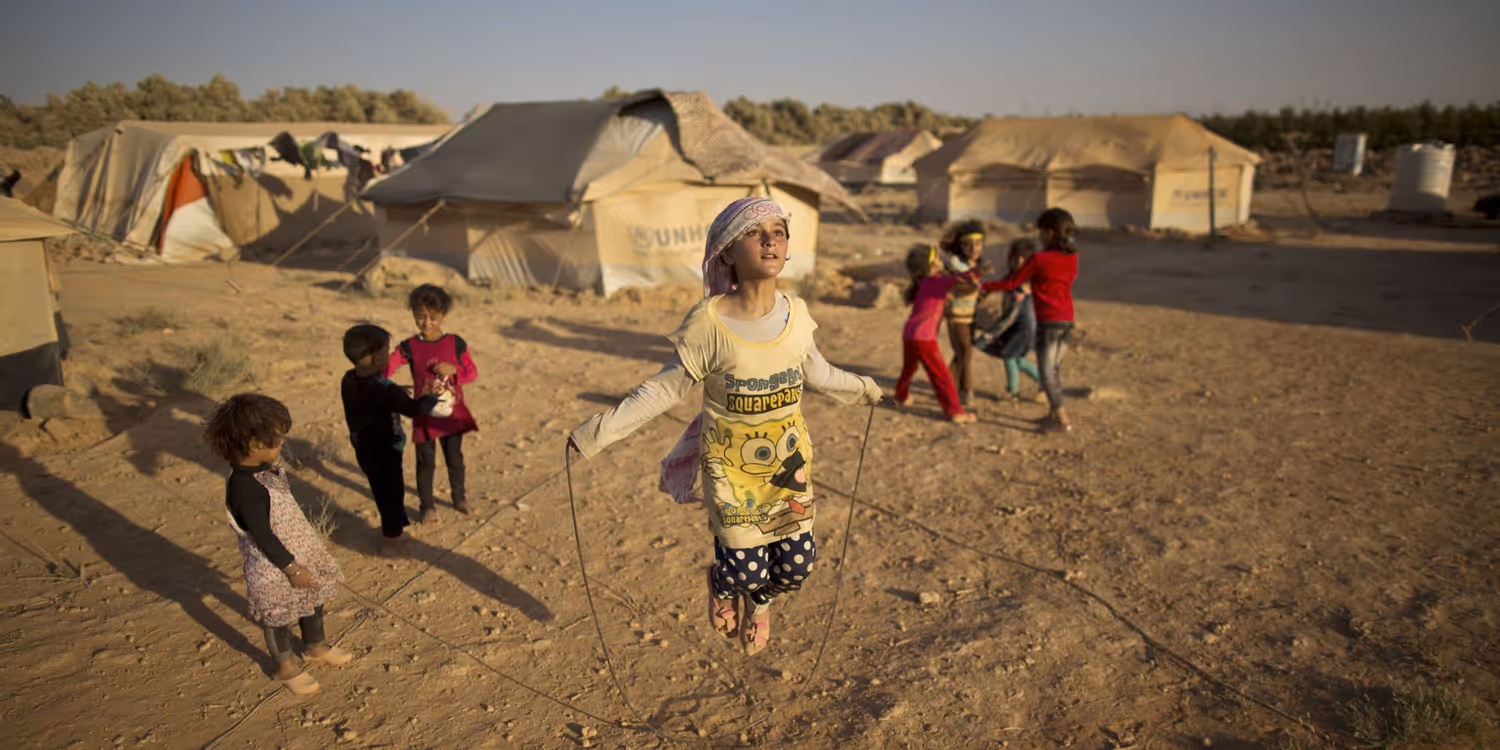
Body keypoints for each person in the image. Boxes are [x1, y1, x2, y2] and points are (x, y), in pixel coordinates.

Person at [568, 197, 881, 656]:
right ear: (728, 252)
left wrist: (866, 388)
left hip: (789, 470)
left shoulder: (796, 314)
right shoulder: (708, 324)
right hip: (731, 475)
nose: (771, 239)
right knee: (744, 571)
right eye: (756, 232)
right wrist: (596, 433)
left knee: (795, 568)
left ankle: (760, 606)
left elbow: (820, 374)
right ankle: (721, 584)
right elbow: (664, 390)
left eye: (779, 230)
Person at [203, 394, 350, 695]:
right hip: (274, 564)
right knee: (277, 614)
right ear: (256, 445)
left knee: (312, 598)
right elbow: (264, 535)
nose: (282, 443)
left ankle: (315, 646)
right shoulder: (244, 487)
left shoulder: (263, 471)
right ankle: (285, 667)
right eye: (278, 439)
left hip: (298, 553)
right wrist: (292, 568)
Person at [341, 324, 441, 557]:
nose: (390, 354)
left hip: (364, 448)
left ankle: (395, 531)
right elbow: (414, 409)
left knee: (382, 490)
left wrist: (395, 391)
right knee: (392, 493)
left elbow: (372, 398)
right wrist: (432, 398)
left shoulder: (348, 379)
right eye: (387, 350)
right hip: (386, 449)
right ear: (377, 358)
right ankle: (391, 540)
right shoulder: (387, 391)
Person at [385, 284, 479, 522]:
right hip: (424, 413)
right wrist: (385, 386)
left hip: (451, 413)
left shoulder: (456, 343)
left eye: (432, 317)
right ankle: (427, 506)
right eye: (420, 316)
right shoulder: (409, 347)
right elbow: (388, 368)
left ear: (443, 316)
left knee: (455, 458)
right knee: (425, 461)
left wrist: (455, 370)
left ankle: (459, 499)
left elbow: (472, 372)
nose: (425, 322)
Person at [984, 209, 1080, 432]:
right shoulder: (1072, 257)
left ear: (1050, 233)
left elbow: (1010, 283)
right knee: (1053, 370)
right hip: (1067, 319)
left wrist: (982, 286)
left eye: (1042, 232)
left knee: (1047, 372)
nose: (1040, 236)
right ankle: (1052, 415)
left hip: (1048, 321)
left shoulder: (1040, 259)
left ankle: (1062, 419)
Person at [894, 244, 979, 424]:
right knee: (941, 376)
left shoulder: (924, 283)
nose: (941, 262)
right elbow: (957, 279)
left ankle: (901, 396)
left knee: (908, 369)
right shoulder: (936, 281)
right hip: (924, 338)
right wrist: (976, 273)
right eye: (938, 259)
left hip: (909, 334)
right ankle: (955, 411)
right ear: (932, 264)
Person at [973, 239, 1041, 402]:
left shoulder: (1025, 282)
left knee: (1010, 356)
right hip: (1017, 326)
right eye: (1017, 257)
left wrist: (992, 333)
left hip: (1023, 327)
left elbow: (1012, 313)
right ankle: (1045, 383)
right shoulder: (1014, 277)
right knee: (1016, 359)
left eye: (1024, 258)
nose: (1019, 262)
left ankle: (1013, 391)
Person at [940, 221, 990, 406]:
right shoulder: (954, 264)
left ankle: (946, 385)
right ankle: (966, 390)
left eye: (977, 244)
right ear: (960, 246)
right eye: (968, 244)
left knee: (961, 353)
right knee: (966, 352)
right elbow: (960, 288)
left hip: (971, 315)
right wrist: (976, 281)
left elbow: (976, 291)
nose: (973, 248)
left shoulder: (976, 265)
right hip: (956, 315)